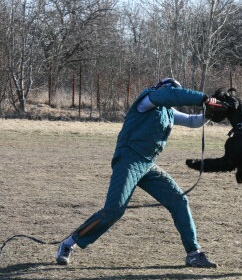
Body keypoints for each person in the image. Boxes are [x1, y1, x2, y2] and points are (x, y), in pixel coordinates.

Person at [56, 78, 218, 268]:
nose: (172, 96)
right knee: (114, 211)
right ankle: (68, 244)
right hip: (128, 161)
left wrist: (212, 112)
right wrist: (204, 98)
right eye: (171, 92)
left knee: (178, 200)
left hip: (147, 165)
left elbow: (193, 121)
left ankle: (193, 253)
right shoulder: (147, 100)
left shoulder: (169, 112)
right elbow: (168, 95)